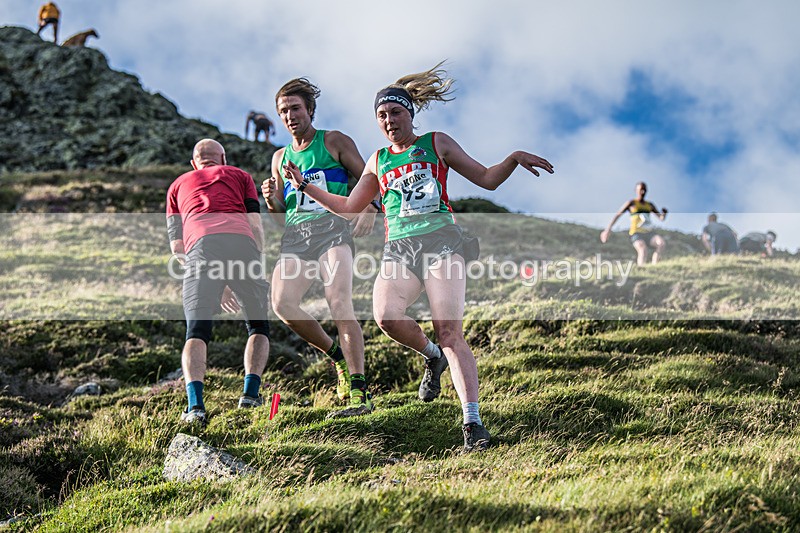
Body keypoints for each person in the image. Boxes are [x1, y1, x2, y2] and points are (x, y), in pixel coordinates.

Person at [277, 64, 554, 452]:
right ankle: (431, 357)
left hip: (442, 242)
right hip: (399, 249)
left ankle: (472, 422)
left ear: (411, 113)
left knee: (450, 332)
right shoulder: (377, 160)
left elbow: (487, 178)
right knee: (386, 316)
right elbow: (349, 206)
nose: (389, 121)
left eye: (395, 112)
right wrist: (305, 185)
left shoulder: (436, 143)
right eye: (382, 116)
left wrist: (511, 160)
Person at [260, 78, 377, 418]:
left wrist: (370, 207)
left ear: (309, 110)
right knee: (283, 305)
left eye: (295, 108)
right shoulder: (279, 157)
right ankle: (335, 355)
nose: (289, 116)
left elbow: (371, 177)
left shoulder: (334, 141)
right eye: (283, 111)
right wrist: (272, 202)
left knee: (339, 302)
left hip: (333, 230)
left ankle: (359, 393)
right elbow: (281, 220)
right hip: (297, 236)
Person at [166, 139, 271, 426]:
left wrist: (216, 278)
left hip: (200, 246)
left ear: (194, 163)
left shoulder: (177, 185)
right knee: (258, 325)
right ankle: (250, 395)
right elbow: (255, 223)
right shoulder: (240, 175)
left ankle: (195, 407)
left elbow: (177, 246)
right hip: (242, 244)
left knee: (196, 330)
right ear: (222, 158)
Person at [600, 182, 668, 266]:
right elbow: (618, 215)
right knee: (642, 249)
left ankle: (655, 266)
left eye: (644, 190)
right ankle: (641, 268)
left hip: (649, 232)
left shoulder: (650, 205)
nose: (642, 192)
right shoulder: (631, 203)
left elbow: (661, 218)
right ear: (636, 191)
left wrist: (664, 214)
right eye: (640, 190)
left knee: (661, 243)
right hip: (636, 233)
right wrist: (607, 230)